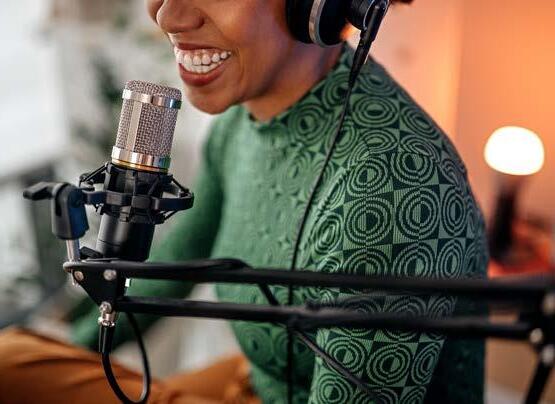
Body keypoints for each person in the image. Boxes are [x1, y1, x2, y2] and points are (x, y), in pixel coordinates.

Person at [0, 0, 488, 403]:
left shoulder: (389, 190)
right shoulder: (242, 122)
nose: (166, 15)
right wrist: (69, 350)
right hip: (256, 381)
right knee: (16, 363)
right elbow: (178, 262)